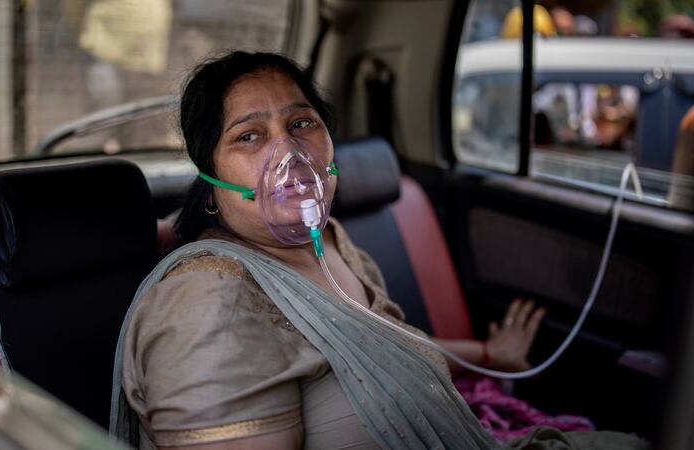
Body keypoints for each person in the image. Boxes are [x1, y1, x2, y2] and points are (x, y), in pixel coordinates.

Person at [110, 51, 648, 450]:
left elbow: (386, 348)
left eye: (301, 125)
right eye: (249, 137)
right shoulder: (210, 304)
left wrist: (490, 355)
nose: (289, 155)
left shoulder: (333, 244)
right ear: (210, 175)